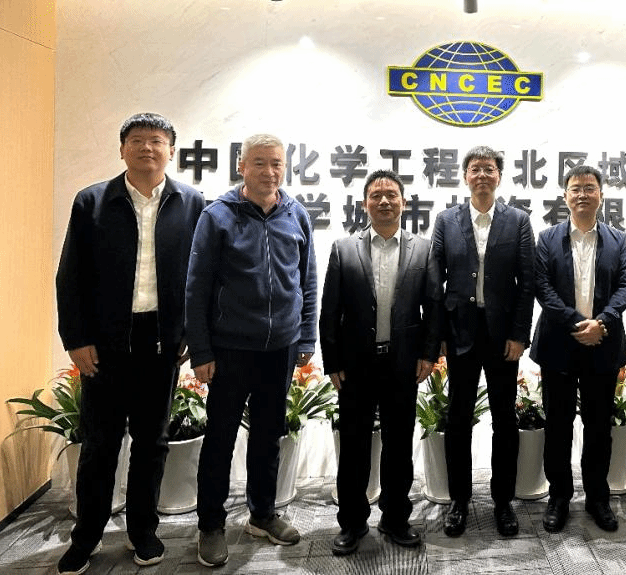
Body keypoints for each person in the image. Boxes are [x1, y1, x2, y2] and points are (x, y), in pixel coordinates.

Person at [55, 113, 205, 575]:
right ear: (122, 150)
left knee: (152, 442)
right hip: (104, 343)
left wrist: (190, 333)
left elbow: (201, 276)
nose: (146, 148)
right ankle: (86, 537)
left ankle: (143, 530)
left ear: (171, 151)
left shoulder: (191, 203)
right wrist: (76, 338)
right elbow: (70, 275)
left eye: (156, 141)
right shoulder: (93, 201)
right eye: (136, 140)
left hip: (161, 343)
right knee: (99, 444)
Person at [185, 134, 318, 566]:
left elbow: (307, 281)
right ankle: (210, 524)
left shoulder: (296, 214)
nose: (269, 171)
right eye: (259, 163)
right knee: (220, 439)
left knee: (268, 435)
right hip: (229, 349)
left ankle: (262, 514)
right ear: (242, 166)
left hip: (280, 348)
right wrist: (201, 350)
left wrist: (305, 337)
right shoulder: (217, 216)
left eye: (276, 163)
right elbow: (196, 287)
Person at [320, 170, 442, 555]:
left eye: (392, 195)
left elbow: (433, 308)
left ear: (404, 202)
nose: (385, 201)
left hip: (402, 363)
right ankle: (352, 522)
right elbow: (330, 310)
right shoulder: (344, 249)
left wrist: (429, 354)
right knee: (353, 446)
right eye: (376, 195)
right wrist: (332, 362)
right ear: (365, 204)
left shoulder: (423, 250)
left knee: (398, 446)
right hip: (356, 365)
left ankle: (396, 518)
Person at [430, 145, 535, 537]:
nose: (482, 176)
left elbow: (527, 283)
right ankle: (458, 501)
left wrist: (519, 335)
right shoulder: (446, 220)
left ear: (499, 176)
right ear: (465, 176)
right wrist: (439, 335)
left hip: (502, 336)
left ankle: (503, 501)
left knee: (504, 420)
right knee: (458, 418)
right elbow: (435, 281)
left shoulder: (518, 221)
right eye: (475, 169)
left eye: (489, 169)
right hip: (460, 333)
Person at [530, 165, 626, 533]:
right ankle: (559, 497)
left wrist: (602, 322)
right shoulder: (547, 239)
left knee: (598, 428)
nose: (582, 195)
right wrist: (578, 323)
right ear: (565, 196)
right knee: (558, 427)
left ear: (601, 195)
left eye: (589, 188)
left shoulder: (617, 239)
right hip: (559, 345)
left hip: (603, 345)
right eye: (576, 189)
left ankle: (597, 498)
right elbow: (542, 287)